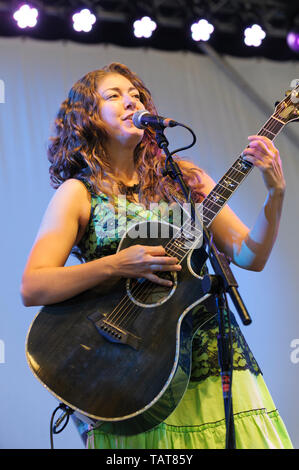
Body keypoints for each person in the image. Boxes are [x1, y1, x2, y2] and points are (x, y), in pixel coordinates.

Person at [21, 62, 293, 449]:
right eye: (114, 95)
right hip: (130, 374)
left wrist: (275, 195)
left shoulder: (186, 179)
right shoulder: (78, 193)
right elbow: (33, 285)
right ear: (88, 117)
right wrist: (117, 264)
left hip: (213, 361)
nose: (130, 101)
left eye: (136, 95)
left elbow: (250, 256)